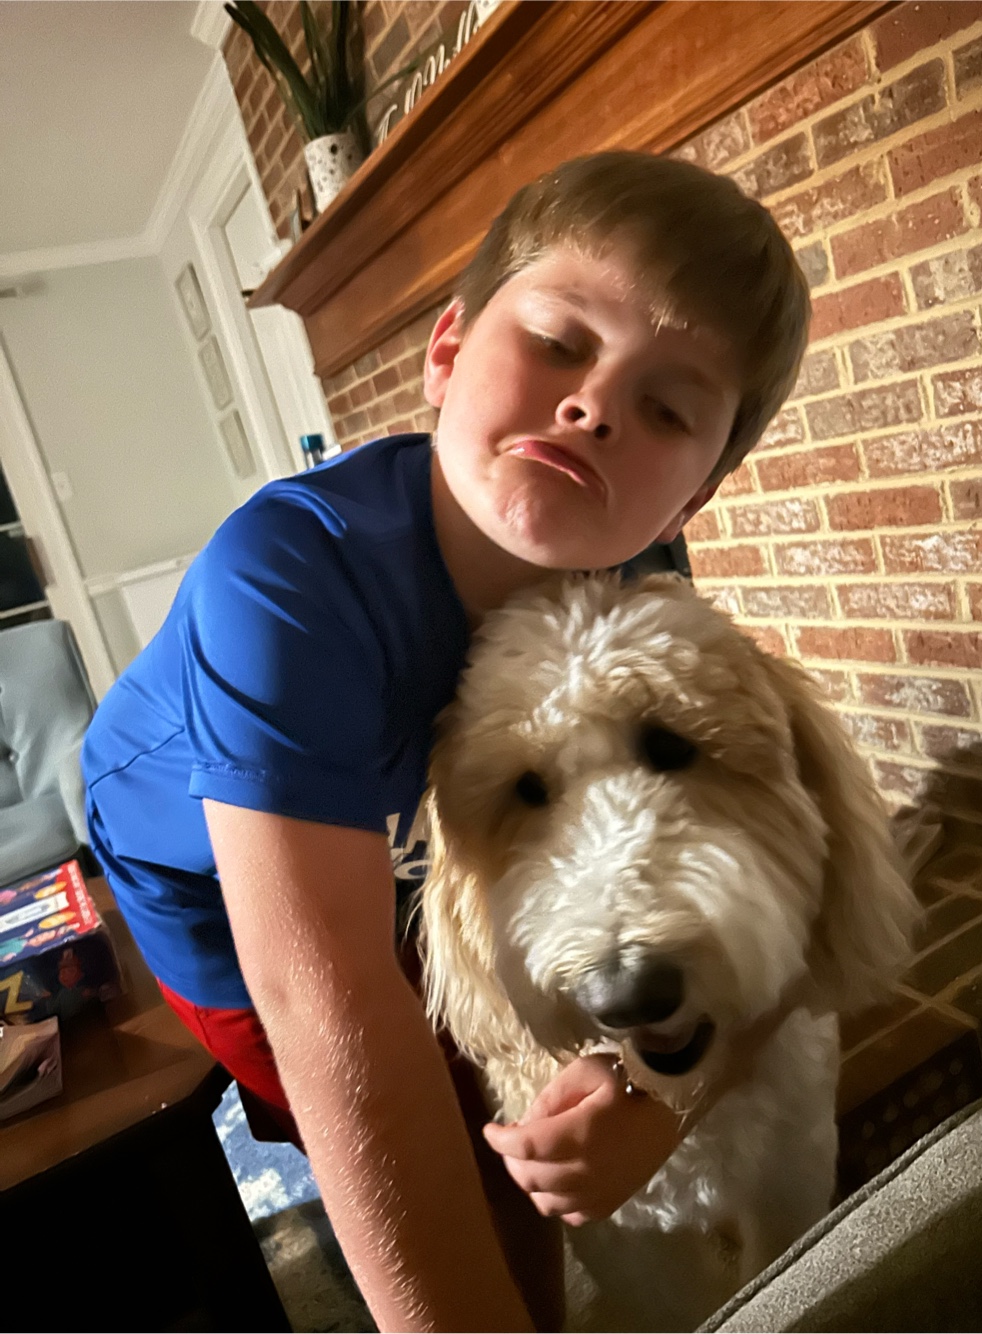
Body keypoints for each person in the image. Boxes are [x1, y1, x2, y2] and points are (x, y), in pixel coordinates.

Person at [82, 151, 810, 1332]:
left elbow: (786, 868)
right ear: (446, 351)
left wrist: (657, 1093)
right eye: (560, 343)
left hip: (420, 841)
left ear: (685, 505)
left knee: (496, 1070)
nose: (595, 406)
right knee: (420, 1108)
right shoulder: (284, 581)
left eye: (667, 409)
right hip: (207, 885)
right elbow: (331, 1011)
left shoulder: (642, 580)